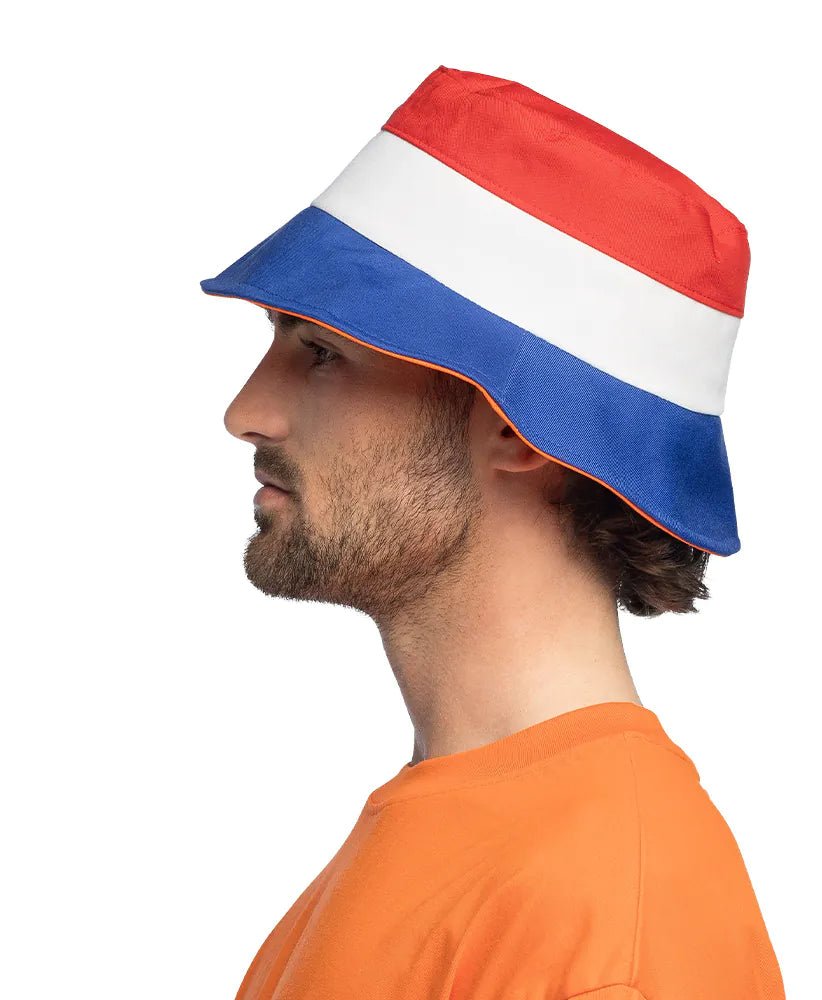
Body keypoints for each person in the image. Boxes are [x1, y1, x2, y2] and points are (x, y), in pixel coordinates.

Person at [201, 65, 785, 1000]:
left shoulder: (601, 925)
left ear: (517, 426)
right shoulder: (466, 833)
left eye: (322, 353)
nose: (246, 413)